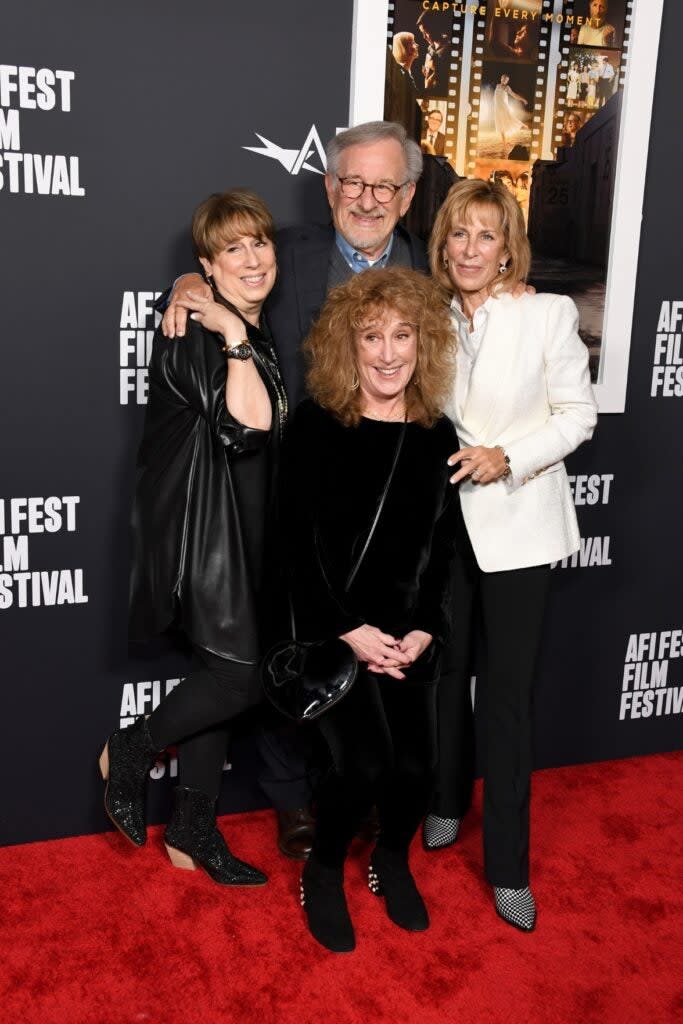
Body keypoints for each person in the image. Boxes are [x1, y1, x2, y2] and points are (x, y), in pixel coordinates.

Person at [161, 121, 428, 859]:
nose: (365, 199)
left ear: (406, 196)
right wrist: (188, 282)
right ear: (328, 187)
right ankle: (291, 804)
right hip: (287, 489)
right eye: (352, 182)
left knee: (370, 640)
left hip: (382, 497)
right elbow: (224, 274)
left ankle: (359, 786)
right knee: (294, 640)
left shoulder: (427, 264)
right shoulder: (287, 254)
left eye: (383, 185)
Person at [422, 179, 598, 932]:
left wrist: (511, 457)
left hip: (519, 524)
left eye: (485, 236)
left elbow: (577, 417)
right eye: (458, 234)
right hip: (442, 528)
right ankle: (442, 801)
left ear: (507, 249)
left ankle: (508, 868)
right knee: (441, 677)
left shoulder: (547, 313)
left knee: (505, 699)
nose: (469, 249)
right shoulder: (424, 313)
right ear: (442, 242)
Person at [99, 189, 287, 886]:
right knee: (237, 677)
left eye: (258, 243)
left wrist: (238, 327)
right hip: (210, 540)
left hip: (253, 532)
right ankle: (131, 747)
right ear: (206, 266)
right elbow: (246, 428)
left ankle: (190, 830)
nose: (251, 259)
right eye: (231, 249)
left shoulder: (250, 328)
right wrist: (232, 334)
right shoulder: (193, 336)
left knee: (225, 678)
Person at [280, 266, 462, 952]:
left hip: (403, 634)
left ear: (424, 343)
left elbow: (439, 550)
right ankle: (323, 871)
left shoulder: (436, 435)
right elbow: (293, 549)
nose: (387, 352)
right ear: (345, 345)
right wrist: (348, 630)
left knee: (419, 769)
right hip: (335, 631)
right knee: (363, 767)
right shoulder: (316, 426)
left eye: (402, 334)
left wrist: (422, 630)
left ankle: (389, 860)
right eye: (371, 336)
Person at [493, 74, 528, 156]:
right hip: (497, 109)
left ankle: (523, 126)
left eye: (506, 80)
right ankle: (504, 143)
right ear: (501, 78)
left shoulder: (507, 88)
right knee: (500, 125)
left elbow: (514, 95)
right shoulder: (497, 86)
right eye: (504, 79)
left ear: (507, 81)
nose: (505, 80)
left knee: (511, 119)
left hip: (504, 108)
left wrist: (523, 99)